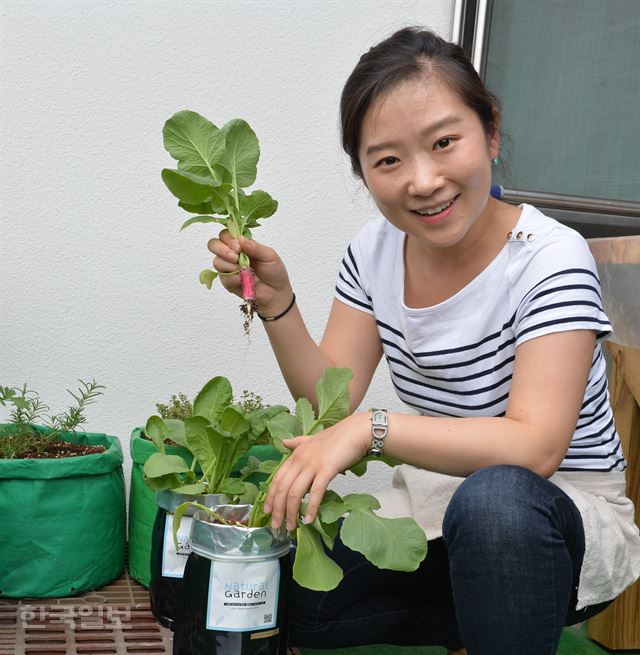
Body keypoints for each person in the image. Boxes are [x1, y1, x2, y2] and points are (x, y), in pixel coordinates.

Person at [209, 26, 640, 655]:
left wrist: (371, 430)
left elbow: (536, 447)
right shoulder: (373, 251)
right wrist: (278, 305)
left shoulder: (550, 258)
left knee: (495, 503)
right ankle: (478, 622)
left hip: (554, 519)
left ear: (490, 130)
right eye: (387, 160)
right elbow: (332, 396)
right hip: (439, 513)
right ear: (362, 170)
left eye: (444, 142)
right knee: (285, 591)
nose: (423, 180)